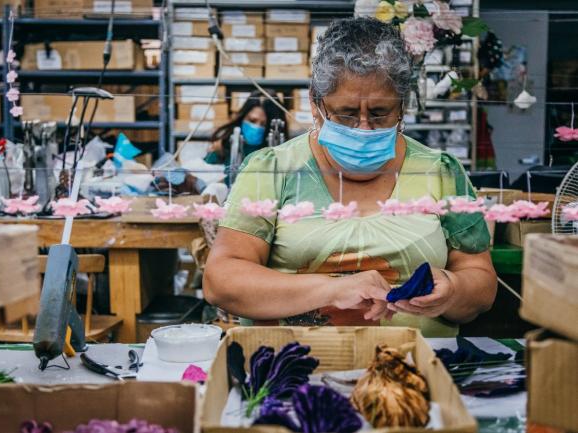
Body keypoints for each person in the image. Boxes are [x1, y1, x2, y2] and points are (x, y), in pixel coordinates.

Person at [203, 17, 497, 337]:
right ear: (316, 103)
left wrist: (453, 290)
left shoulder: (440, 172)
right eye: (345, 113)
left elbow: (480, 281)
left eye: (379, 113)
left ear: (402, 107)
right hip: (293, 368)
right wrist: (331, 290)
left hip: (419, 366)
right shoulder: (273, 170)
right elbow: (221, 281)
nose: (363, 128)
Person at [205, 89, 288, 165]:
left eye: (263, 124)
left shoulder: (281, 154)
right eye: (252, 121)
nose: (257, 127)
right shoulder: (224, 146)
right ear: (243, 117)